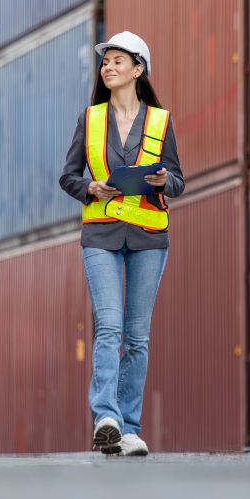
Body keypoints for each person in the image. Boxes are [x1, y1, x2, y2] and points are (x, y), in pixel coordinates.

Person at [59, 31, 184, 456]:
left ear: (138, 69)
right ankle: (106, 417)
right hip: (102, 235)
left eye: (117, 60)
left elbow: (179, 181)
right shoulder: (89, 119)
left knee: (137, 336)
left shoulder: (160, 121)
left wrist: (166, 181)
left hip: (149, 237)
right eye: (105, 61)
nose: (108, 67)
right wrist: (90, 188)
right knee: (109, 325)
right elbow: (68, 176)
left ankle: (128, 428)